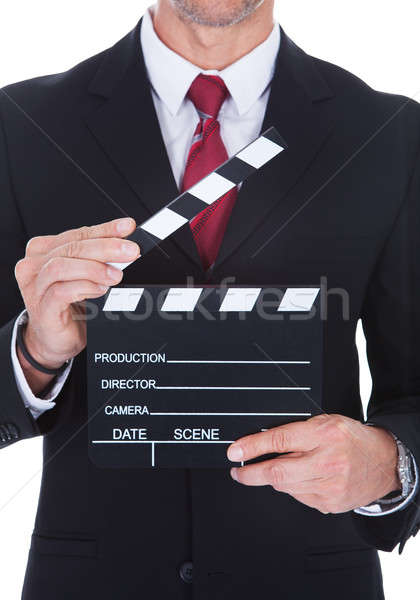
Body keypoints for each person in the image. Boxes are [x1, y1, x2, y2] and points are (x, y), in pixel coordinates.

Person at [0, 1, 419, 598]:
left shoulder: (389, 134)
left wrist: (388, 465)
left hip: (311, 579)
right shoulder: (20, 124)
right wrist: (36, 348)